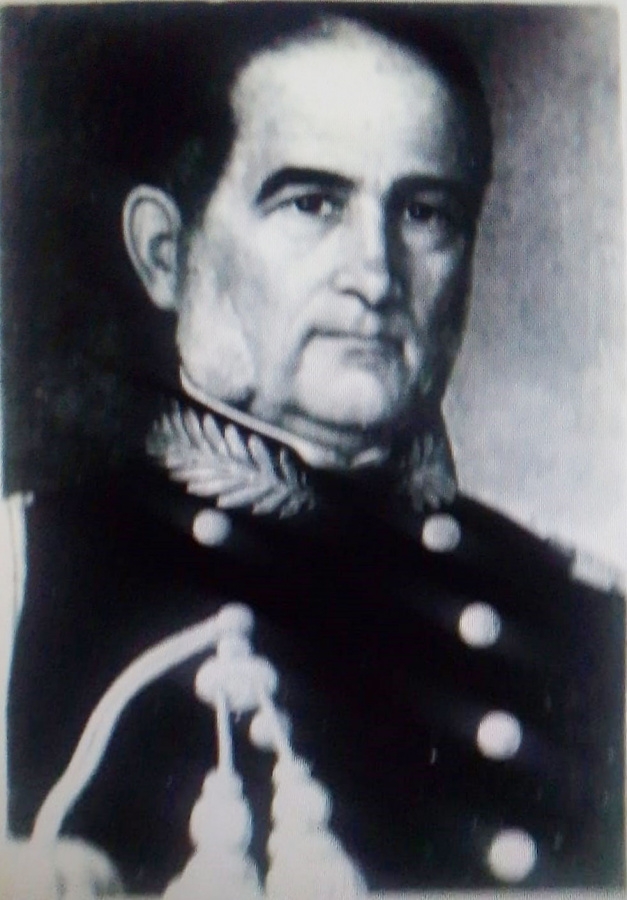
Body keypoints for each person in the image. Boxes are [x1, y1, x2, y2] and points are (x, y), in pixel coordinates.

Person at [4, 5, 624, 898]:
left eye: (425, 213)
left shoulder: (586, 622)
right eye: (311, 203)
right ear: (165, 254)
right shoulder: (23, 571)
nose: (374, 274)